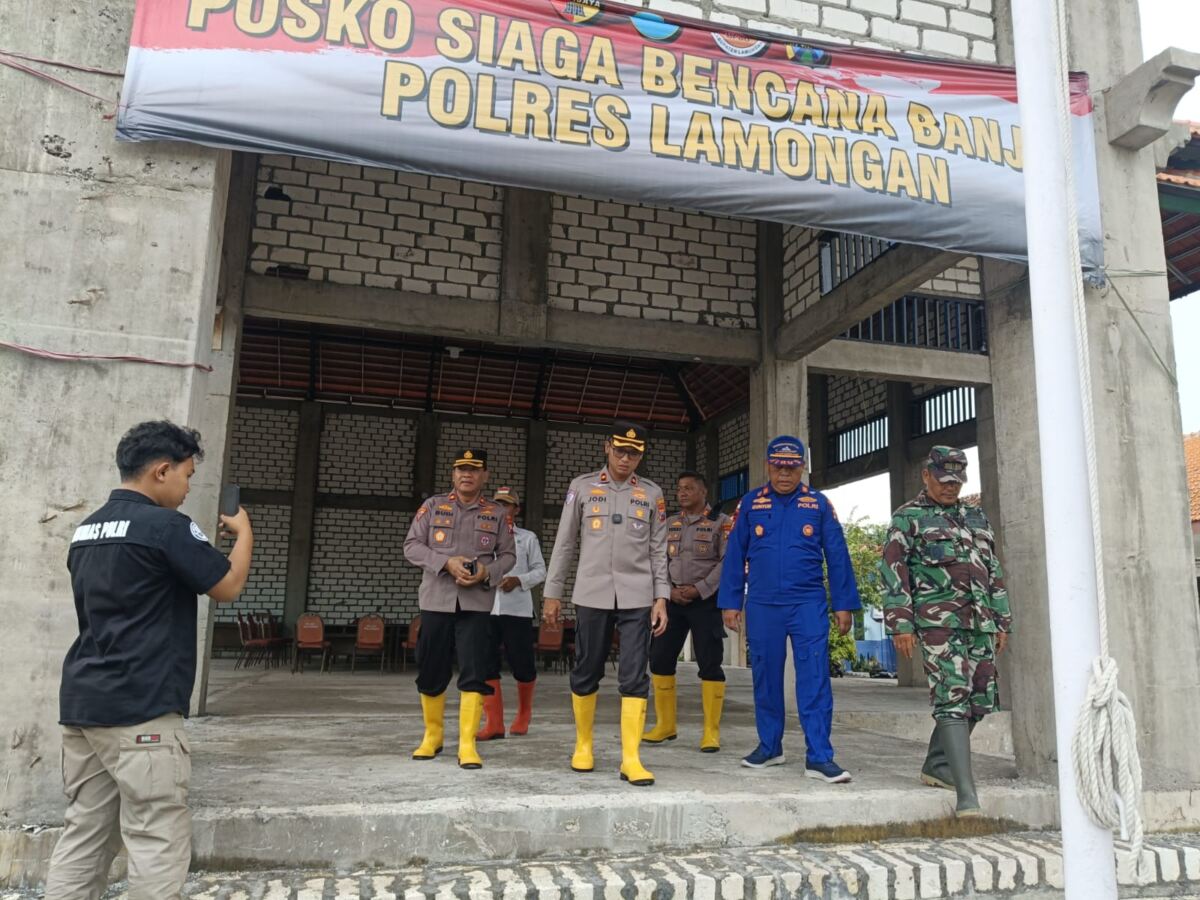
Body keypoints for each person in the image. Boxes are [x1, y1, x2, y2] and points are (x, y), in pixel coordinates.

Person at [44, 421, 254, 900]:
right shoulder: (165, 527)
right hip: (142, 712)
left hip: (84, 706)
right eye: (187, 475)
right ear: (161, 471)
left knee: (84, 834)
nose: (187, 487)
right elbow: (227, 585)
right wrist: (244, 535)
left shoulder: (86, 529)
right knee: (156, 837)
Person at [717, 435, 860, 782]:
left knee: (813, 677)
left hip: (807, 602)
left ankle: (820, 756)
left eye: (792, 468)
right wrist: (730, 602)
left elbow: (837, 557)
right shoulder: (750, 504)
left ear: (802, 468)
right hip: (763, 603)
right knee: (765, 675)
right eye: (779, 467)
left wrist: (843, 604)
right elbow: (735, 556)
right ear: (768, 466)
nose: (785, 474)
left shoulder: (819, 505)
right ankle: (769, 747)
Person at [880, 446, 1011, 818]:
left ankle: (936, 767)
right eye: (943, 480)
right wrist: (900, 623)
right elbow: (893, 572)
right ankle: (967, 795)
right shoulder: (908, 518)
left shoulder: (976, 517)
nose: (950, 487)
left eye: (957, 481)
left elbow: (993, 570)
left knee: (980, 700)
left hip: (981, 623)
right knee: (952, 699)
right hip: (939, 625)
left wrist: (1002, 619)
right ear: (927, 475)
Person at [542, 422, 669, 786]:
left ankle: (631, 757)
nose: (626, 458)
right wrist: (553, 593)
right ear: (606, 448)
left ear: (641, 455)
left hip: (637, 595)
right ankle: (584, 745)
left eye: (634, 453)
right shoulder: (581, 487)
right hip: (592, 592)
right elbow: (565, 543)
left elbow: (659, 549)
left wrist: (661, 597)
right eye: (620, 451)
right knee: (586, 668)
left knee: (634, 674)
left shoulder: (651, 493)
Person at [403, 448, 515, 770]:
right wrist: (445, 563)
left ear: (485, 476)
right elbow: (411, 546)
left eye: (474, 470)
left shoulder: (496, 514)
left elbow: (508, 556)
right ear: (453, 474)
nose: (467, 475)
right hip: (437, 599)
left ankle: (467, 743)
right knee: (431, 665)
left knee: (475, 668)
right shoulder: (433, 506)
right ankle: (432, 736)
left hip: (476, 602)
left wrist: (486, 572)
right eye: (461, 469)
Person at [643, 471, 732, 752]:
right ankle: (666, 725)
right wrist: (668, 590)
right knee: (658, 659)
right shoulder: (669, 523)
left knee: (710, 663)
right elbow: (657, 560)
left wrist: (700, 588)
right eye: (680, 488)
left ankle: (711, 732)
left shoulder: (721, 523)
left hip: (706, 601)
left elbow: (727, 563)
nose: (682, 493)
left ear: (704, 491)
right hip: (672, 600)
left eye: (689, 488)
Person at [476, 487, 547, 741]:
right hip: (486, 607)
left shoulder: (527, 538)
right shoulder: (482, 536)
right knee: (486, 662)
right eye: (498, 504)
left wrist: (518, 579)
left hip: (517, 610)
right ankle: (493, 723)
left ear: (516, 510)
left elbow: (541, 571)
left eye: (507, 505)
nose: (502, 509)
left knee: (522, 663)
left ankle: (524, 714)